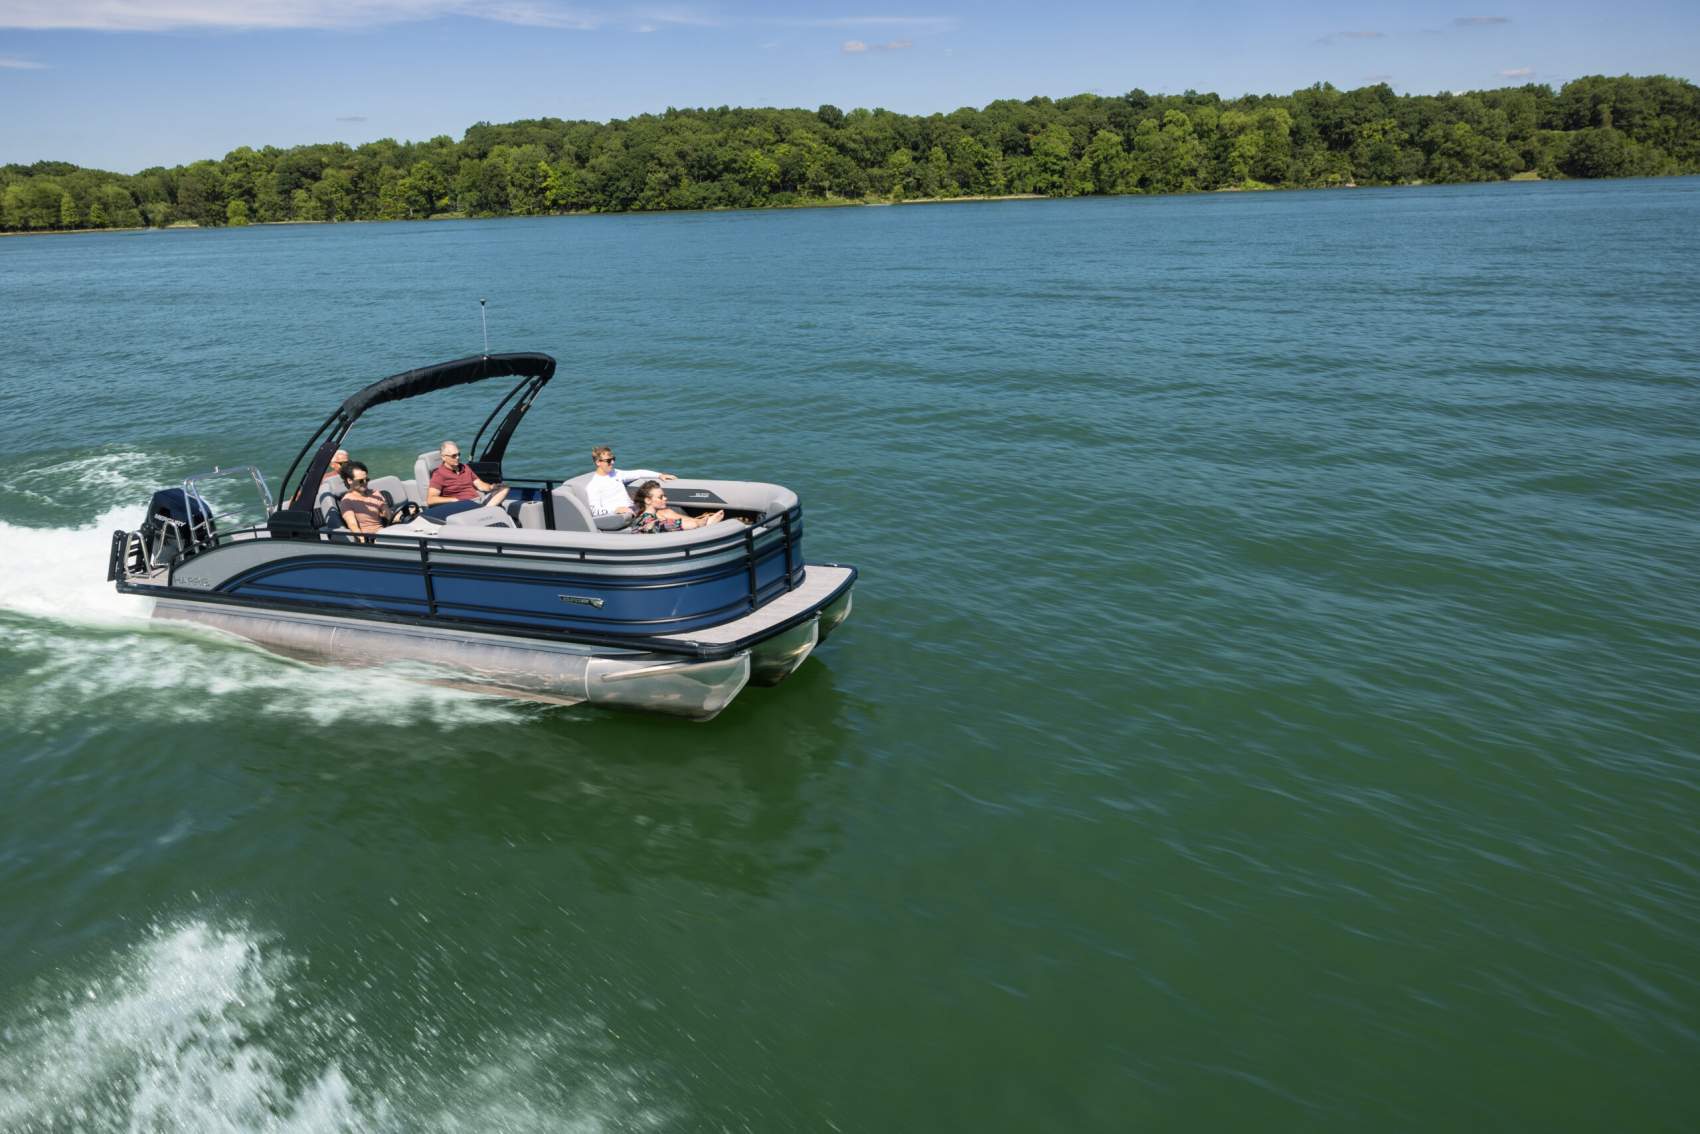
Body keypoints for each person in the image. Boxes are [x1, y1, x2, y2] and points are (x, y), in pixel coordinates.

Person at [585, 445, 674, 518]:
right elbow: (596, 512)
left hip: (634, 510)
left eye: (613, 459)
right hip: (621, 517)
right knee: (665, 515)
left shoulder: (616, 473)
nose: (612, 462)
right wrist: (616, 509)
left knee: (666, 513)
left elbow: (638, 473)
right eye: (608, 461)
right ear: (598, 462)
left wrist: (659, 475)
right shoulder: (593, 485)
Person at [426, 440, 508, 518]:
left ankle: (483, 511)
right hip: (462, 506)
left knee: (504, 488)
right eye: (454, 456)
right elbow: (431, 499)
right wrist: (454, 500)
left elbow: (480, 485)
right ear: (443, 457)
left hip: (477, 501)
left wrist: (491, 487)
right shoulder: (439, 474)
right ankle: (483, 513)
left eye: (459, 454)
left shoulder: (465, 467)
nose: (457, 457)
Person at [628, 480, 723, 533]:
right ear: (648, 500)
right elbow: (656, 525)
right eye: (660, 497)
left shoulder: (649, 516)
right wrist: (699, 524)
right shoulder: (644, 521)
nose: (665, 498)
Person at [337, 462, 391, 539]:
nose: (365, 483)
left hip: (385, 532)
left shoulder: (375, 493)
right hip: (370, 538)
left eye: (367, 479)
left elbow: (388, 515)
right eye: (361, 481)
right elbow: (352, 525)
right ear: (349, 480)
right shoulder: (347, 501)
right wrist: (362, 539)